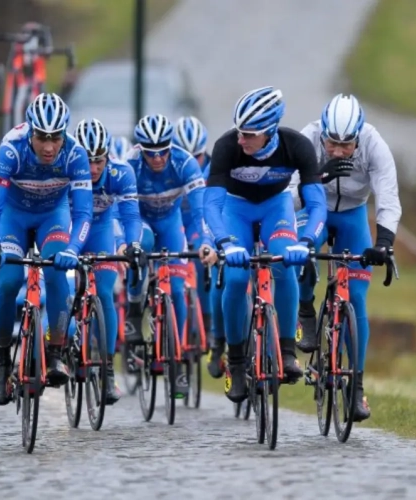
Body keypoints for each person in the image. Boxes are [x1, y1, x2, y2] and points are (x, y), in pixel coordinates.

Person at [203, 86, 329, 403]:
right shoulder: (226, 147)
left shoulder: (296, 146)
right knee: (234, 277)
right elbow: (211, 205)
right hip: (235, 209)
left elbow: (316, 205)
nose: (240, 140)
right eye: (239, 132)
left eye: (249, 135)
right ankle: (235, 361)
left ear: (270, 130)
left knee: (286, 265)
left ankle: (287, 352)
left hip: (276, 208)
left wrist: (307, 240)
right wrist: (223, 243)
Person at [294, 93, 401, 421]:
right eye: (332, 143)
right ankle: (306, 310)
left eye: (346, 144)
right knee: (301, 254)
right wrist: (317, 176)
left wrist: (383, 242)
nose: (339, 150)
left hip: (354, 214)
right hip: (315, 208)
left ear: (359, 136)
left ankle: (355, 388)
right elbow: (286, 193)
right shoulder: (307, 138)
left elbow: (388, 194)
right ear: (322, 133)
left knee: (355, 298)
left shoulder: (374, 144)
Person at [0, 92, 93, 406]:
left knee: (57, 275)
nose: (48, 146)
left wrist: (72, 247)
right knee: (9, 281)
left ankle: (55, 352)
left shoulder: (75, 154)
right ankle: (3, 360)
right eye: (41, 137)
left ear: (63, 135)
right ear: (30, 132)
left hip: (52, 218)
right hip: (13, 219)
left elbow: (83, 213)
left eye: (55, 138)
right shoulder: (11, 149)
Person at [125, 113, 216, 398]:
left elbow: (201, 210)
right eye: (151, 153)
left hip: (170, 223)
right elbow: (123, 210)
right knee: (142, 245)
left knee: (177, 288)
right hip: (141, 221)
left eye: (163, 150)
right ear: (141, 149)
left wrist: (206, 241)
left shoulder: (185, 163)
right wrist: (126, 242)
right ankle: (135, 310)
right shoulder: (130, 164)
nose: (158, 158)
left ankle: (176, 362)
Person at [73, 118, 143, 404]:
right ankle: (61, 345)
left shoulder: (121, 172)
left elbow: (130, 216)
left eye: (98, 160)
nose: (93, 169)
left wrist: (130, 244)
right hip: (69, 226)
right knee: (64, 289)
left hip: (101, 230)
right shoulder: (66, 171)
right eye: (87, 161)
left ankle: (107, 372)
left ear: (107, 156)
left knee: (104, 293)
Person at [171, 116, 223, 378]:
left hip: (199, 219)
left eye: (198, 156)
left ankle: (210, 323)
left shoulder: (214, 168)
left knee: (204, 265)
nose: (192, 162)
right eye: (186, 156)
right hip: (174, 219)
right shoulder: (168, 165)